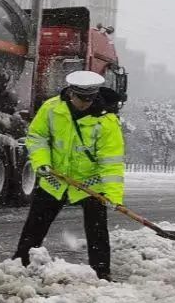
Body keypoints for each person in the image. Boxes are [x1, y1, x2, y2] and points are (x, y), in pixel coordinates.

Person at [12, 70, 125, 281]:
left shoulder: (107, 121)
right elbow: (37, 137)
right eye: (81, 98)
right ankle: (20, 263)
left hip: (90, 182)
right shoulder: (52, 109)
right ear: (71, 93)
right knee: (35, 224)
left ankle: (101, 272)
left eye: (90, 99)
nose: (85, 104)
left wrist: (113, 196)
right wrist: (41, 162)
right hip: (54, 178)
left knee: (97, 230)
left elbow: (111, 162)